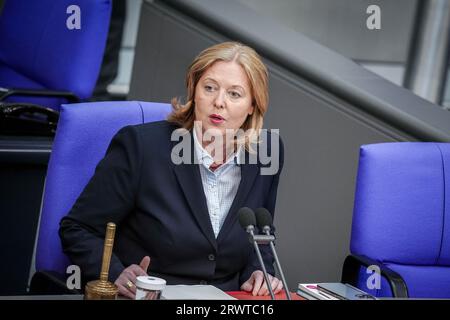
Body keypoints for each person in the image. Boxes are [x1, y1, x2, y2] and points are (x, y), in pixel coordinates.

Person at [59, 41, 284, 299]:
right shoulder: (142, 147)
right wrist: (114, 273)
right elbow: (78, 227)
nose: (219, 102)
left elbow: (261, 234)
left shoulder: (265, 152)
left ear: (253, 105)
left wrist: (259, 272)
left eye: (235, 94)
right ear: (194, 90)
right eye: (209, 88)